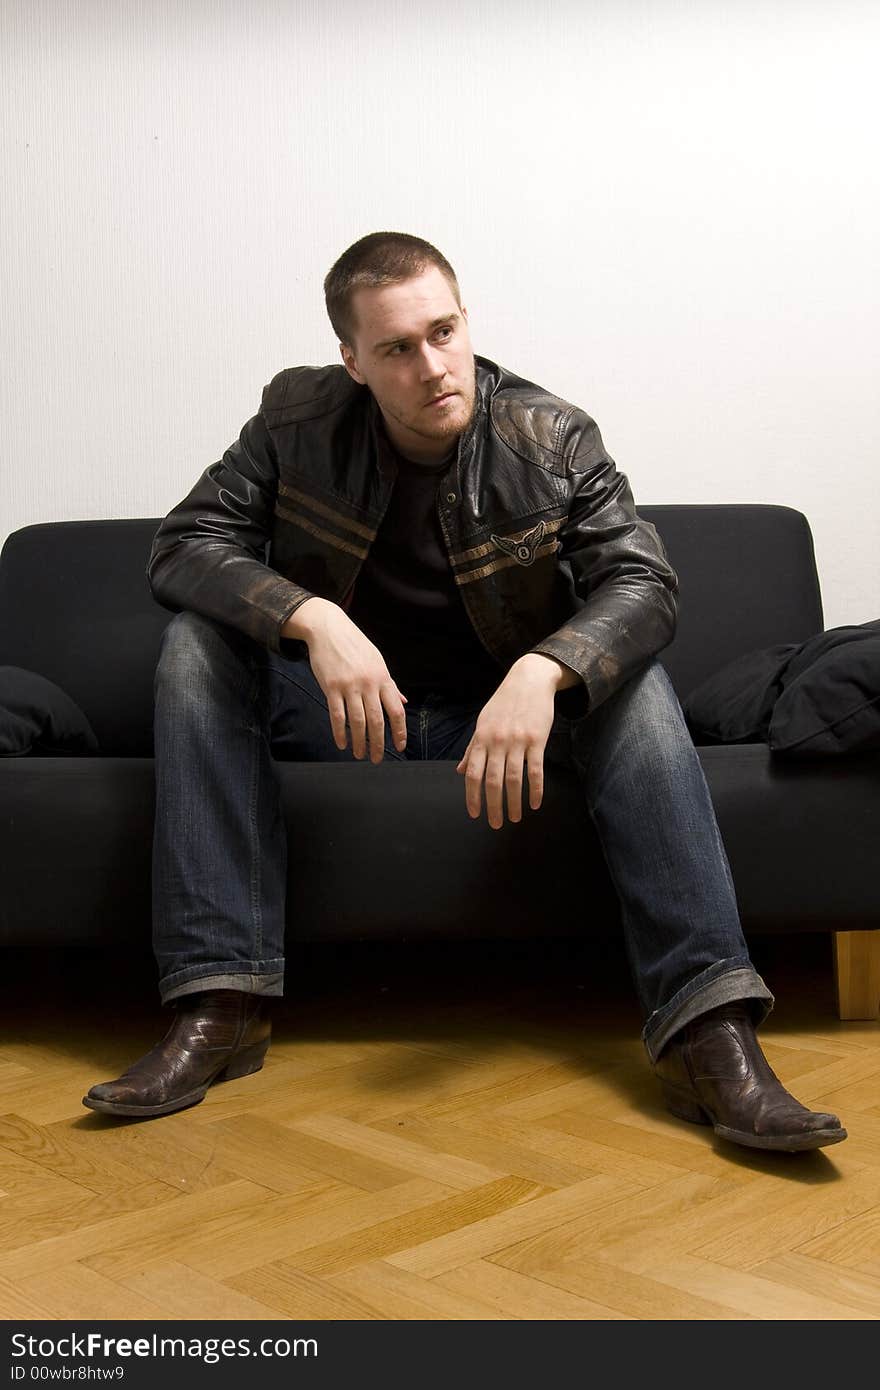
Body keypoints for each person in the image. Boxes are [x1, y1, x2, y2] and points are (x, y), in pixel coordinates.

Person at [83, 232, 846, 1154]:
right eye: (398, 348)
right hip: (349, 723)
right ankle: (220, 1004)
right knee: (195, 647)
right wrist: (313, 618)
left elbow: (644, 586)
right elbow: (182, 545)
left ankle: (706, 1033)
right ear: (353, 361)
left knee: (632, 685)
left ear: (466, 319)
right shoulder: (294, 423)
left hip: (508, 730)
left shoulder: (551, 435)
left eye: (444, 332)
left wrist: (543, 668)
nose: (434, 366)